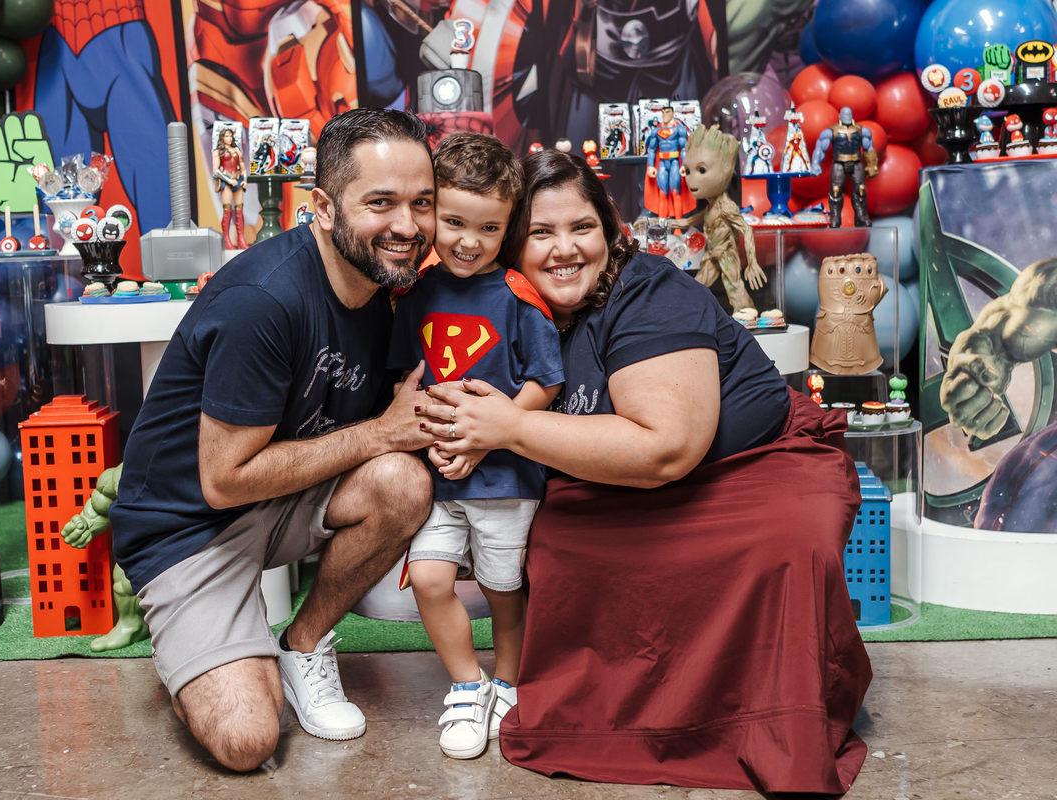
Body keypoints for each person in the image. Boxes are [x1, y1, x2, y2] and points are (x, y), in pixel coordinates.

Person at [416, 150, 872, 794]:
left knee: (783, 546)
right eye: (539, 234)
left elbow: (666, 449)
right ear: (510, 248)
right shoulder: (506, 309)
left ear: (611, 231)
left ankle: (758, 720)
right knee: (553, 543)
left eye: (582, 227)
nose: (564, 249)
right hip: (613, 490)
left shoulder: (649, 290)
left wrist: (510, 430)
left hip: (746, 468)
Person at [109, 107, 439, 772]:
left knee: (403, 483)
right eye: (381, 203)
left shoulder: (392, 288)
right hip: (187, 525)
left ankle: (303, 642)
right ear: (322, 206)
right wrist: (382, 431)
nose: (407, 226)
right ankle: (199, 653)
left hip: (289, 496)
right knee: (246, 741)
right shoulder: (265, 298)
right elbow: (224, 479)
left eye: (422, 203)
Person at [387, 132, 564, 760]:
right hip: (436, 473)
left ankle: (509, 684)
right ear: (432, 211)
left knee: (501, 585)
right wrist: (430, 439)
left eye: (488, 227)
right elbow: (406, 381)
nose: (468, 240)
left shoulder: (519, 296)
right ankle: (468, 684)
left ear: (509, 225)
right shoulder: (415, 292)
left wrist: (492, 437)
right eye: (454, 220)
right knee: (432, 579)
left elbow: (547, 380)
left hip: (504, 479)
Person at [212, 126, 247, 249]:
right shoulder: (217, 152)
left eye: (230, 135)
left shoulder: (236, 150)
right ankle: (227, 240)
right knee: (227, 210)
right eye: (226, 135)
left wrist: (245, 180)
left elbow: (243, 166)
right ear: (222, 137)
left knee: (239, 210)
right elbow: (216, 170)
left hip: (238, 180)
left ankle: (241, 238)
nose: (229, 138)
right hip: (226, 181)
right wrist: (228, 180)